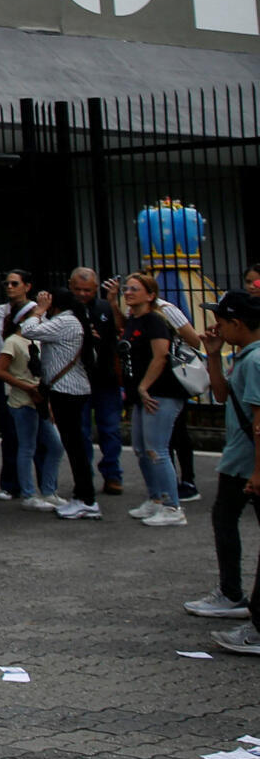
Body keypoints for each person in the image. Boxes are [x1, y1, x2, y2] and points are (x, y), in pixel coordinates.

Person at [195, 291, 260, 651]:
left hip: (247, 463)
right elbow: (221, 396)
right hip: (240, 459)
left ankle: (247, 611)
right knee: (223, 518)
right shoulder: (244, 356)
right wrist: (214, 355)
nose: (215, 324)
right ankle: (233, 594)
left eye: (221, 319)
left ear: (237, 323)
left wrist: (258, 472)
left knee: (225, 519)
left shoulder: (255, 361)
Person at [20, 287, 100, 519]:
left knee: (75, 447)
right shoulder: (71, 321)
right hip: (69, 389)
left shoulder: (66, 322)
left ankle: (87, 499)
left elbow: (29, 330)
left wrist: (39, 311)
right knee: (74, 445)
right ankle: (82, 495)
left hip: (67, 391)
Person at [119, 272, 191, 528]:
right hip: (142, 394)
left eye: (135, 289)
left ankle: (173, 506)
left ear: (150, 295)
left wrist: (144, 386)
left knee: (157, 449)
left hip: (161, 392)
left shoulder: (154, 321)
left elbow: (160, 356)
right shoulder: (132, 320)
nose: (128, 292)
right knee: (140, 448)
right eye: (126, 288)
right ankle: (155, 498)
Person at [0, 309, 64, 511]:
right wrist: (25, 387)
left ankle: (49, 490)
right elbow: (0, 370)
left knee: (55, 446)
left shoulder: (38, 341)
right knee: (27, 447)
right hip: (22, 401)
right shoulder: (13, 342)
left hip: (40, 400)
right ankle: (29, 494)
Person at [67, 266, 128, 498]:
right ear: (71, 287)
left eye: (89, 290)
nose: (83, 294)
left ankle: (113, 475)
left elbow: (122, 328)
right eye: (79, 290)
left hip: (105, 379)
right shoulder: (66, 310)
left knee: (110, 429)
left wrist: (113, 302)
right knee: (80, 432)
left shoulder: (104, 307)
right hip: (77, 379)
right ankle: (85, 478)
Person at [0, 270, 37, 500]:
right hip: (6, 372)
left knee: (38, 433)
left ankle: (43, 485)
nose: (9, 287)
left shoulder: (36, 311)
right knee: (10, 430)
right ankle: (10, 483)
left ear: (27, 286)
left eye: (14, 283)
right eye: (6, 283)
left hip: (28, 372)